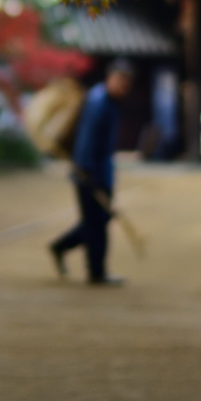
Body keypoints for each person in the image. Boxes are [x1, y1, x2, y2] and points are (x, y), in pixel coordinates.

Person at [48, 58, 135, 285]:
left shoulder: (110, 102)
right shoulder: (98, 102)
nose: (123, 86)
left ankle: (62, 247)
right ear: (110, 78)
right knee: (96, 224)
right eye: (120, 80)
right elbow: (87, 141)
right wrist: (89, 175)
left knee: (98, 221)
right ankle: (97, 272)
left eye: (127, 82)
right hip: (89, 173)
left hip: (100, 171)